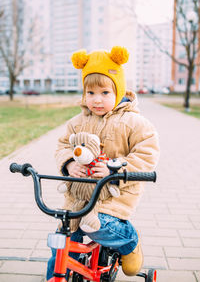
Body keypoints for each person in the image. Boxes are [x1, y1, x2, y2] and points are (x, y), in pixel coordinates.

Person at [46, 46, 160, 281]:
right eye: (90, 93)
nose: (97, 100)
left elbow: (147, 154)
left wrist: (115, 168)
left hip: (113, 197)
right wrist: (68, 163)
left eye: (105, 92)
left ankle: (129, 240)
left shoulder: (134, 122)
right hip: (78, 197)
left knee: (96, 225)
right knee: (61, 244)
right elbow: (62, 145)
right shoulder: (77, 122)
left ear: (117, 91)